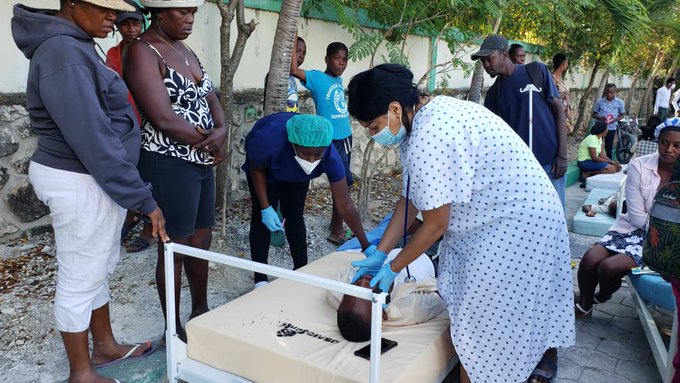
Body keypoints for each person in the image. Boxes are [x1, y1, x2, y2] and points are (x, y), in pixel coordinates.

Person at [346, 64, 574, 383]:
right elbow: (410, 199)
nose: (373, 134)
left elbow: (436, 224)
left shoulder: (431, 133)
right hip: (505, 214)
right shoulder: (421, 119)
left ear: (394, 108)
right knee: (477, 317)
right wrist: (379, 253)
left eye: (372, 126)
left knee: (485, 325)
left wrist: (393, 267)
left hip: (519, 222)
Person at [12, 1, 169, 382]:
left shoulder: (76, 40)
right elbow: (93, 138)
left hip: (90, 176)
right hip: (79, 177)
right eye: (103, 7)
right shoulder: (63, 51)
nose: (112, 16)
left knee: (96, 267)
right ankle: (81, 373)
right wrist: (142, 199)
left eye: (116, 8)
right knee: (80, 276)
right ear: (71, 3)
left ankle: (105, 346)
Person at [124, 0, 227, 342]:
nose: (190, 18)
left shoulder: (185, 50)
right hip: (168, 161)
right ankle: (173, 329)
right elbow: (163, 118)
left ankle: (201, 310)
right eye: (182, 12)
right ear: (158, 12)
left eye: (193, 12)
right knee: (175, 245)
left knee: (201, 240)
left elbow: (211, 99)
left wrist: (222, 130)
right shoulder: (143, 52)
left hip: (199, 161)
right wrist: (212, 141)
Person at [242, 113, 370, 287]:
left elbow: (344, 204)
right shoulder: (268, 142)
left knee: (294, 216)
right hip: (266, 172)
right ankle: (260, 279)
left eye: (317, 155)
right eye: (305, 153)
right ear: (293, 144)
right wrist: (265, 208)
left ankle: (301, 271)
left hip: (298, 176)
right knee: (260, 220)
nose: (311, 160)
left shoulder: (330, 156)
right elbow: (256, 169)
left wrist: (366, 245)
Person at [574, 122, 680, 320]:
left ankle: (602, 296)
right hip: (631, 227)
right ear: (658, 142)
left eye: (677, 145)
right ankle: (585, 305)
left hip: (662, 240)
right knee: (590, 259)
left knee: (608, 268)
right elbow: (636, 214)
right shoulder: (640, 165)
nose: (669, 149)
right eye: (664, 143)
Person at [476, 34, 569, 208]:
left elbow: (559, 110)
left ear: (504, 55)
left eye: (490, 59)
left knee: (556, 216)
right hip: (521, 169)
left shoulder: (535, 71)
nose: (486, 65)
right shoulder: (493, 95)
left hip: (550, 163)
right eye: (483, 61)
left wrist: (562, 154)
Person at [291, 41, 354, 245]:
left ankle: (336, 223)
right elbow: (293, 69)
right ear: (327, 59)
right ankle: (337, 229)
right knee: (341, 183)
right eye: (337, 58)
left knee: (344, 183)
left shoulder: (338, 80)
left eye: (344, 60)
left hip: (345, 138)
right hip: (331, 140)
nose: (341, 63)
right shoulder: (317, 78)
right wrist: (293, 39)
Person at [106, 0, 154, 253]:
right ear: (118, 27)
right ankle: (131, 214)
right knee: (129, 171)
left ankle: (148, 225)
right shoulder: (113, 54)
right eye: (125, 24)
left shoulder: (152, 49)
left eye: (135, 22)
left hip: (154, 122)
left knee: (151, 173)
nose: (131, 29)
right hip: (125, 123)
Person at [328, 249, 445, 342]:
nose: (363, 280)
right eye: (367, 292)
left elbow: (338, 287)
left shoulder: (336, 294)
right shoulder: (408, 308)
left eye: (354, 287)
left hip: (391, 249)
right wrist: (393, 285)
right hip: (430, 256)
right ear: (383, 314)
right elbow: (442, 295)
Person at [264, 36, 307, 113]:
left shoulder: (292, 77)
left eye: (304, 53)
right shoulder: (277, 75)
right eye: (298, 51)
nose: (302, 56)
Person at [592, 83, 625, 160]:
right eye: (607, 92)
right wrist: (600, 118)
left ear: (615, 92)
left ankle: (609, 162)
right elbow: (593, 114)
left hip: (611, 128)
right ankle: (596, 160)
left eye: (611, 92)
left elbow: (622, 115)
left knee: (609, 146)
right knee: (597, 145)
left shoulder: (620, 102)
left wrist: (614, 119)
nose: (609, 94)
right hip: (600, 128)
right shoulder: (600, 102)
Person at [552, 53, 574, 134]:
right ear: (563, 63)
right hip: (558, 113)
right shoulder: (553, 78)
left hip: (565, 113)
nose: (567, 64)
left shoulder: (560, 78)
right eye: (567, 62)